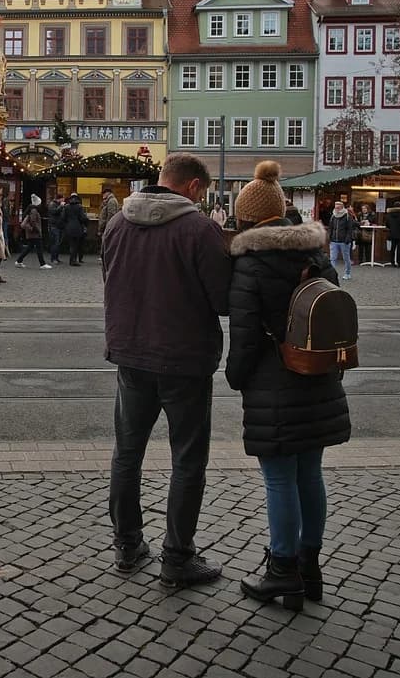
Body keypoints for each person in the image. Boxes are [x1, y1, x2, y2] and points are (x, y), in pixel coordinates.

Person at [226, 161, 350, 611]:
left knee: (279, 478)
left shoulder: (250, 265)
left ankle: (282, 570)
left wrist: (235, 377)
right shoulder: (315, 256)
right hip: (318, 376)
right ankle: (309, 567)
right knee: (309, 474)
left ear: (247, 216)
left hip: (273, 382)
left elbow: (242, 338)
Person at [103, 152, 231, 588]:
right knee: (188, 460)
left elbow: (110, 279)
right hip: (184, 359)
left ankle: (126, 544)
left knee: (127, 453)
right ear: (194, 187)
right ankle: (176, 557)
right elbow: (224, 300)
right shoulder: (200, 229)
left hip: (131, 354)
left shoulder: (117, 223)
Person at [15, 194, 52, 269]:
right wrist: (37, 230)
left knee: (30, 247)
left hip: (31, 233)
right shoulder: (34, 210)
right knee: (39, 248)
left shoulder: (31, 209)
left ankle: (19, 260)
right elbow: (33, 221)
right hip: (35, 233)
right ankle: (42, 263)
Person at [327, 201, 356, 280]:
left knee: (346, 258)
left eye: (338, 207)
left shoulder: (347, 216)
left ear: (342, 207)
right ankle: (331, 275)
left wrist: (347, 238)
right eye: (336, 207)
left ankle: (347, 273)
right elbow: (331, 227)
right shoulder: (333, 216)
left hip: (344, 241)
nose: (336, 209)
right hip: (334, 240)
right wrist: (329, 236)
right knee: (333, 258)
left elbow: (350, 229)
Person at [63, 194, 91, 266]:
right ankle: (73, 261)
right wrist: (86, 222)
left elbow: (63, 217)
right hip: (77, 228)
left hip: (68, 228)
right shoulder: (79, 207)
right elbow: (82, 218)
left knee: (71, 244)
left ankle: (72, 260)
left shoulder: (66, 207)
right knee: (75, 245)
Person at [48, 194, 66, 264]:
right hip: (54, 226)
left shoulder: (58, 204)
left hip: (59, 226)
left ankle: (56, 258)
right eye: (63, 199)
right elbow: (54, 212)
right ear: (60, 199)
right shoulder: (52, 204)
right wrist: (61, 206)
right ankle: (53, 258)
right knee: (55, 243)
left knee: (58, 243)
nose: (63, 200)